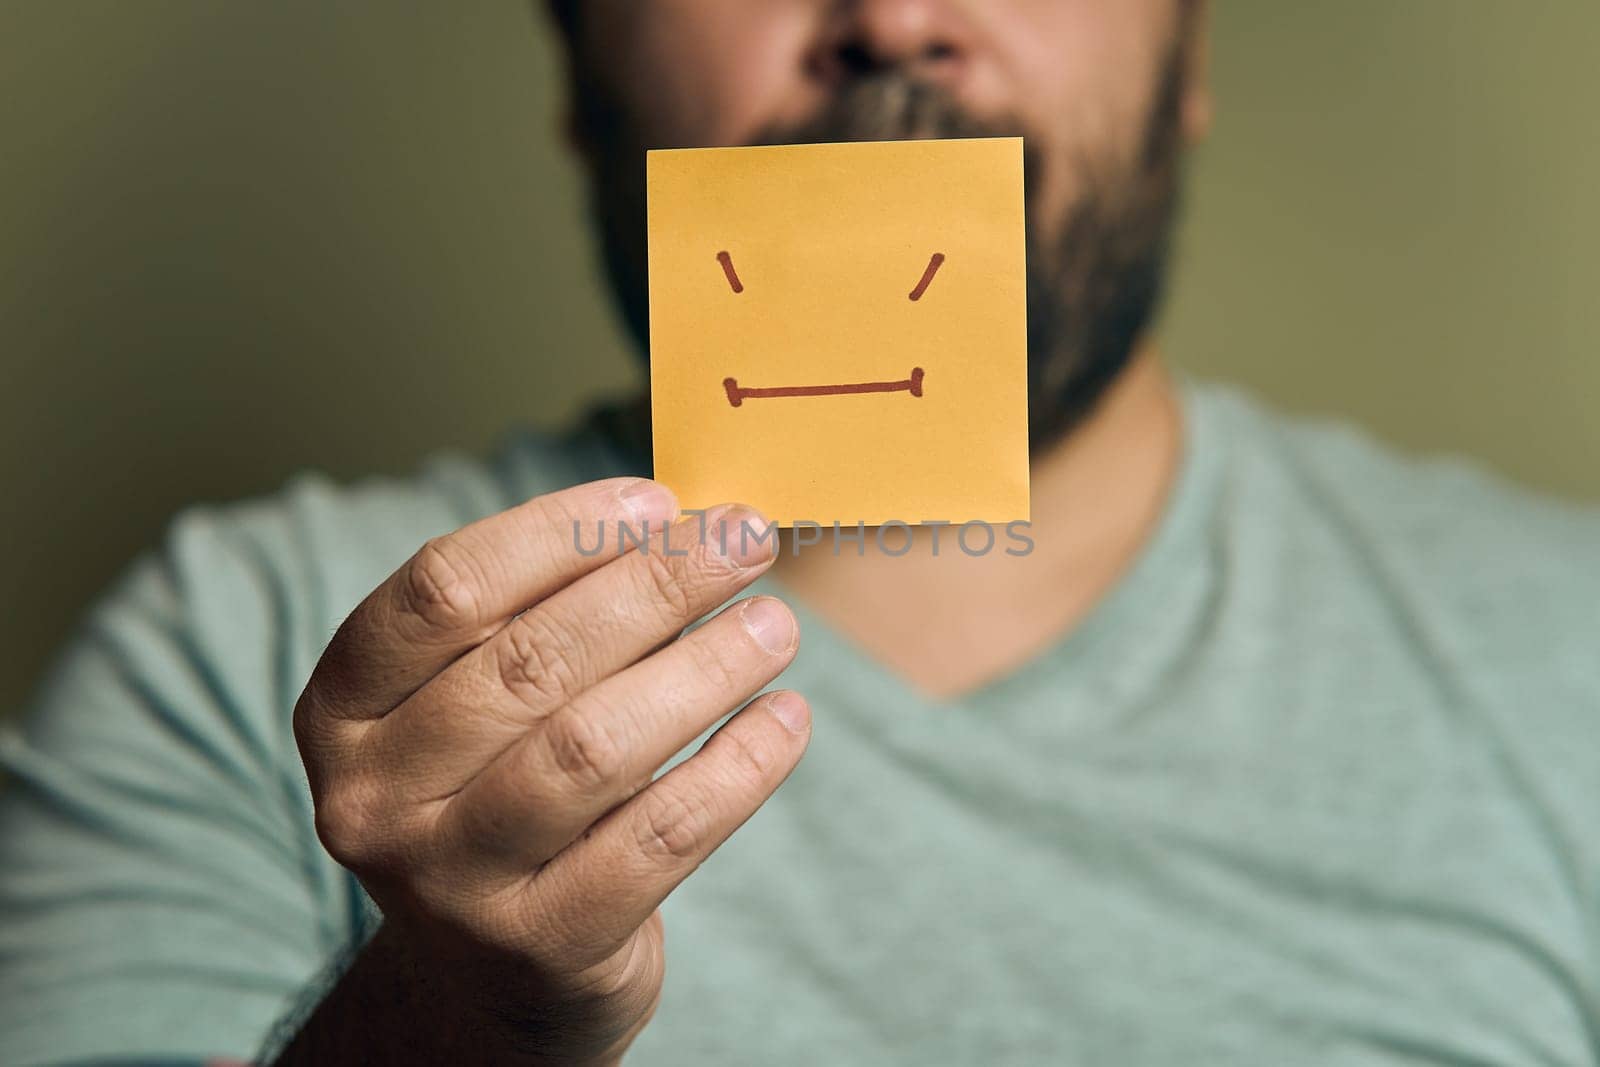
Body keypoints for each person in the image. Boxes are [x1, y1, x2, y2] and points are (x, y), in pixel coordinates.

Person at [3, 2, 1598, 1063]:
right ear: (577, 76)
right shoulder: (233, 646)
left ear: (1187, 65)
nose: (896, 18)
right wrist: (426, 1032)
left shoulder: (1564, 656)